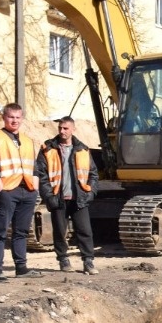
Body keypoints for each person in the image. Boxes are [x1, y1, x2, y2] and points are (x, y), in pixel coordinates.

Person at [0, 103, 43, 282]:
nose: (14, 120)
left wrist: (35, 187)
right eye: (11, 117)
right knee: (0, 231)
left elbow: (34, 166)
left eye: (18, 117)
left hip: (27, 190)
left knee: (21, 231)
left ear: (22, 119)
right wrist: (0, 189)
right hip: (7, 190)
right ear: (4, 117)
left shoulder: (27, 140)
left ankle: (21, 267)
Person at [35, 116, 99, 275]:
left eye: (66, 128)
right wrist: (49, 196)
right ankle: (63, 259)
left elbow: (93, 174)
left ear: (73, 129)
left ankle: (88, 261)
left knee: (85, 231)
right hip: (58, 198)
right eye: (60, 128)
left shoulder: (83, 149)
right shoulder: (48, 149)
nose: (62, 131)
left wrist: (90, 192)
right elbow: (41, 175)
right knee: (59, 232)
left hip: (79, 198)